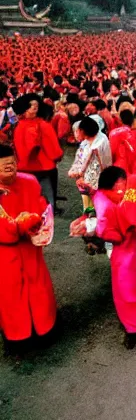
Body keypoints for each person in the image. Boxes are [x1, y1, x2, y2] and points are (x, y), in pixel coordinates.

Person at [94, 166, 136, 349]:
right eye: (119, 182)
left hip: (134, 250)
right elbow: (107, 231)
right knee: (134, 290)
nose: (123, 186)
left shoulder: (110, 200)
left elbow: (105, 230)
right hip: (130, 251)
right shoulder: (106, 202)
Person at [0, 144, 57, 354]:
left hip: (31, 248)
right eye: (5, 167)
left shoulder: (29, 181)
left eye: (13, 164)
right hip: (6, 254)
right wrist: (19, 225)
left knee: (39, 289)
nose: (12, 169)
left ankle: (45, 330)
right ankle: (18, 339)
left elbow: (43, 208)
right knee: (12, 296)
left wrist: (36, 222)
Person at [12, 94, 63, 208]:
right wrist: (56, 156)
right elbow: (53, 146)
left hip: (25, 166)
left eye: (36, 105)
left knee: (29, 193)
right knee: (47, 193)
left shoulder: (19, 126)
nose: (35, 107)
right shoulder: (43, 125)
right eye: (32, 105)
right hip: (44, 166)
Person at [69, 116, 112, 211]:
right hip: (90, 178)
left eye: (79, 130)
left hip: (94, 179)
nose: (78, 133)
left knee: (93, 205)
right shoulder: (100, 137)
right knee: (89, 204)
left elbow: (89, 161)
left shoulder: (97, 143)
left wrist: (79, 173)